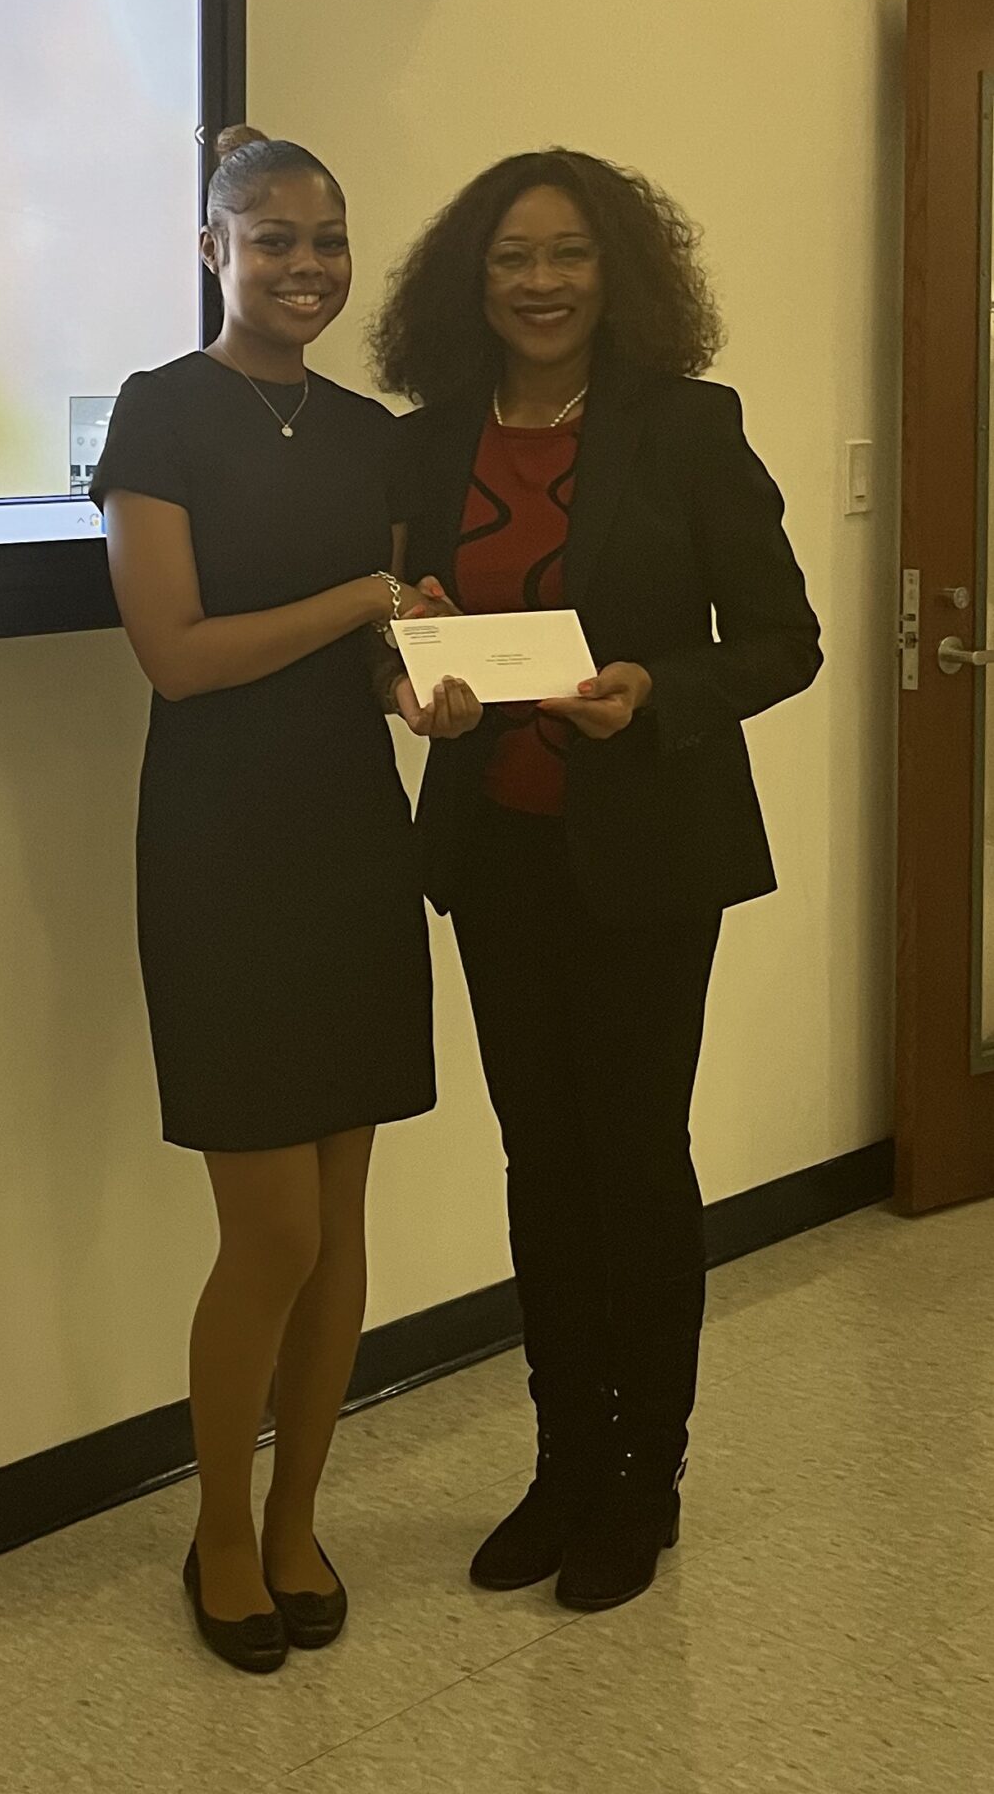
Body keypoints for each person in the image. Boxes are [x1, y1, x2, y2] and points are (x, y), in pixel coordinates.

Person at [373, 149, 821, 1615]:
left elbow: (784, 639)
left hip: (648, 855)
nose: (542, 281)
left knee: (632, 1158)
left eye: (569, 253)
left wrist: (658, 689)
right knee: (540, 1160)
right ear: (472, 280)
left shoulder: (687, 427)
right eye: (513, 256)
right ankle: (563, 1461)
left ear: (616, 271)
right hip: (495, 846)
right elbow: (399, 626)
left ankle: (644, 1475)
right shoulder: (426, 444)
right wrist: (411, 676)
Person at [92, 125, 478, 1675]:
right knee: (272, 1234)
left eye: (327, 240)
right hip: (218, 849)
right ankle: (218, 1529)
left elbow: (380, 662)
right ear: (213, 251)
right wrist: (363, 603)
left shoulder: (372, 434)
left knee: (339, 1225)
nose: (305, 266)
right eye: (272, 239)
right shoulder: (159, 412)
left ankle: (300, 1517)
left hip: (351, 839)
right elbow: (177, 656)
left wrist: (422, 685)